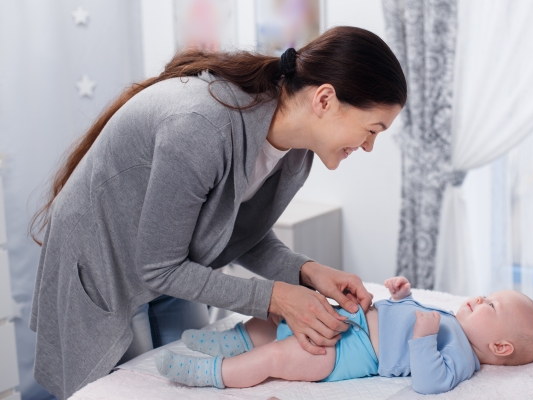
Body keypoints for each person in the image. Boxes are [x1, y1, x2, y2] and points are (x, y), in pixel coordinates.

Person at [28, 26, 406, 399]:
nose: (369, 146)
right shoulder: (202, 127)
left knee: (193, 368)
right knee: (104, 385)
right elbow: (158, 267)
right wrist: (276, 298)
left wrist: (307, 271)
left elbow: (236, 229)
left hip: (170, 264)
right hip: (104, 266)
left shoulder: (297, 153)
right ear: (324, 100)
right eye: (372, 130)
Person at [156, 276, 533, 395]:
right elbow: (403, 316)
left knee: (277, 356)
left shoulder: (463, 357)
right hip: (350, 321)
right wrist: (403, 296)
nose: (480, 298)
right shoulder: (453, 319)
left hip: (344, 357)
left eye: (491, 306)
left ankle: (212, 373)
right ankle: (228, 340)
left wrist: (424, 341)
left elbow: (431, 383)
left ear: (500, 346)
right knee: (277, 323)